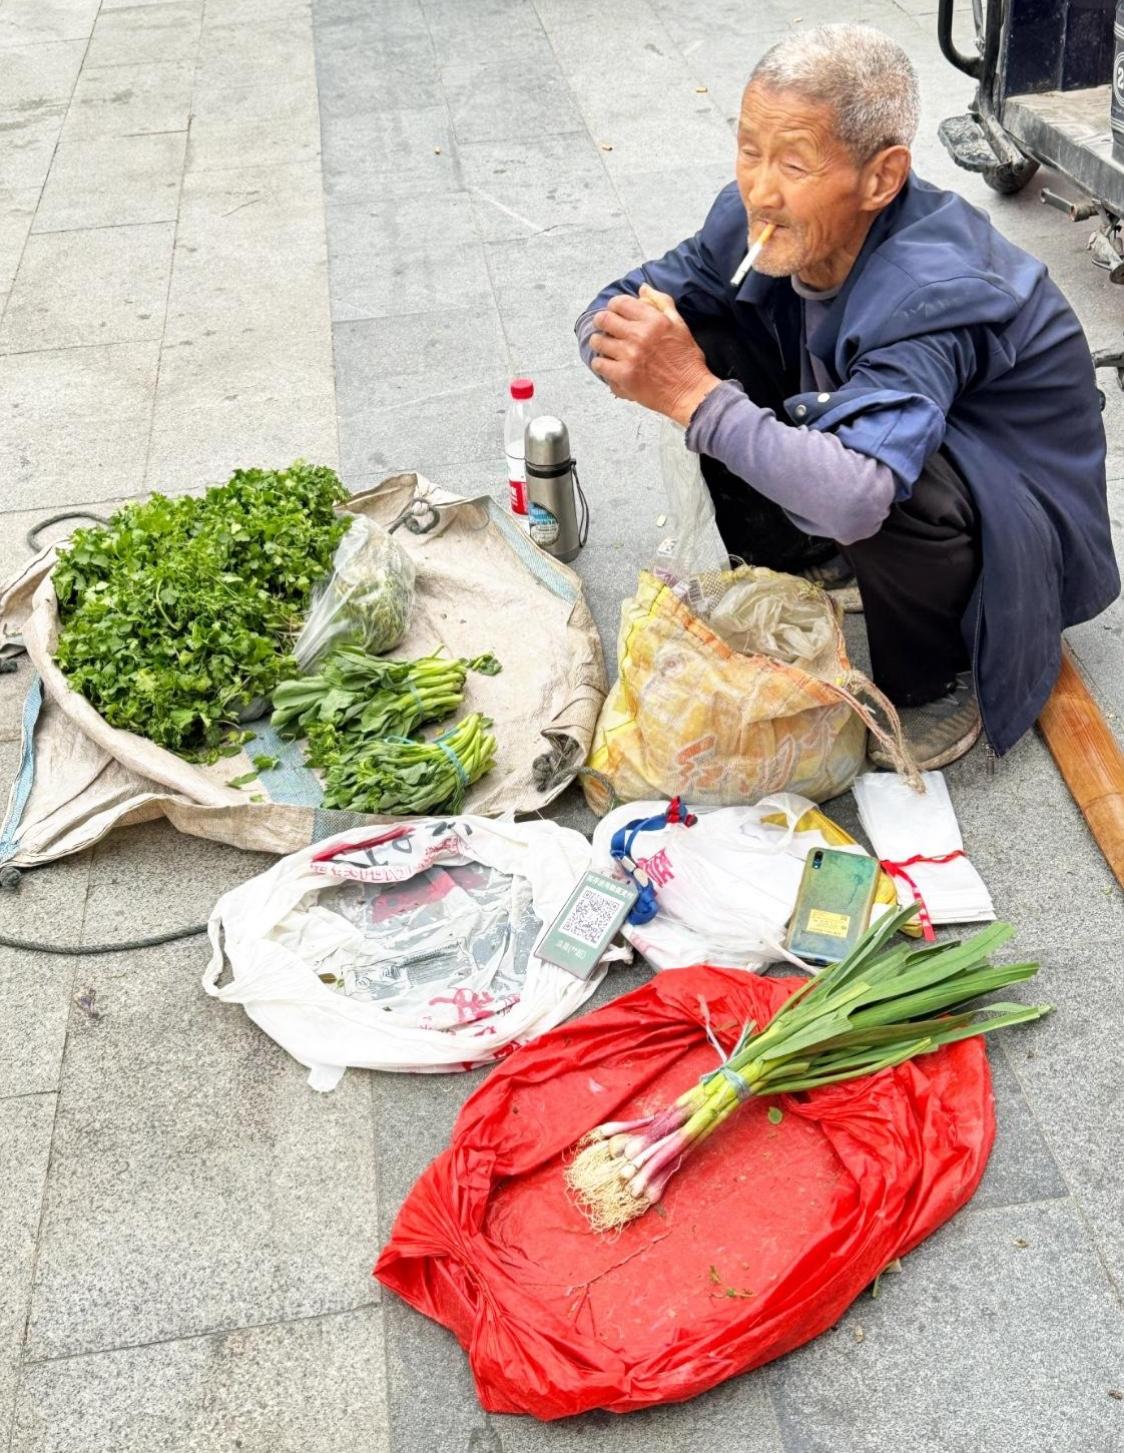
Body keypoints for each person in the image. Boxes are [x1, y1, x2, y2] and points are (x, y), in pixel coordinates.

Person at [575, 23, 1119, 771]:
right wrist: (626, 340)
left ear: (881, 178)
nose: (760, 188)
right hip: (888, 429)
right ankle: (816, 561)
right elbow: (621, 301)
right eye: (749, 151)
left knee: (875, 484)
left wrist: (693, 396)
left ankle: (936, 679)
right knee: (702, 327)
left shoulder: (932, 288)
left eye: (794, 163)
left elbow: (859, 495)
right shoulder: (757, 222)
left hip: (1016, 507)